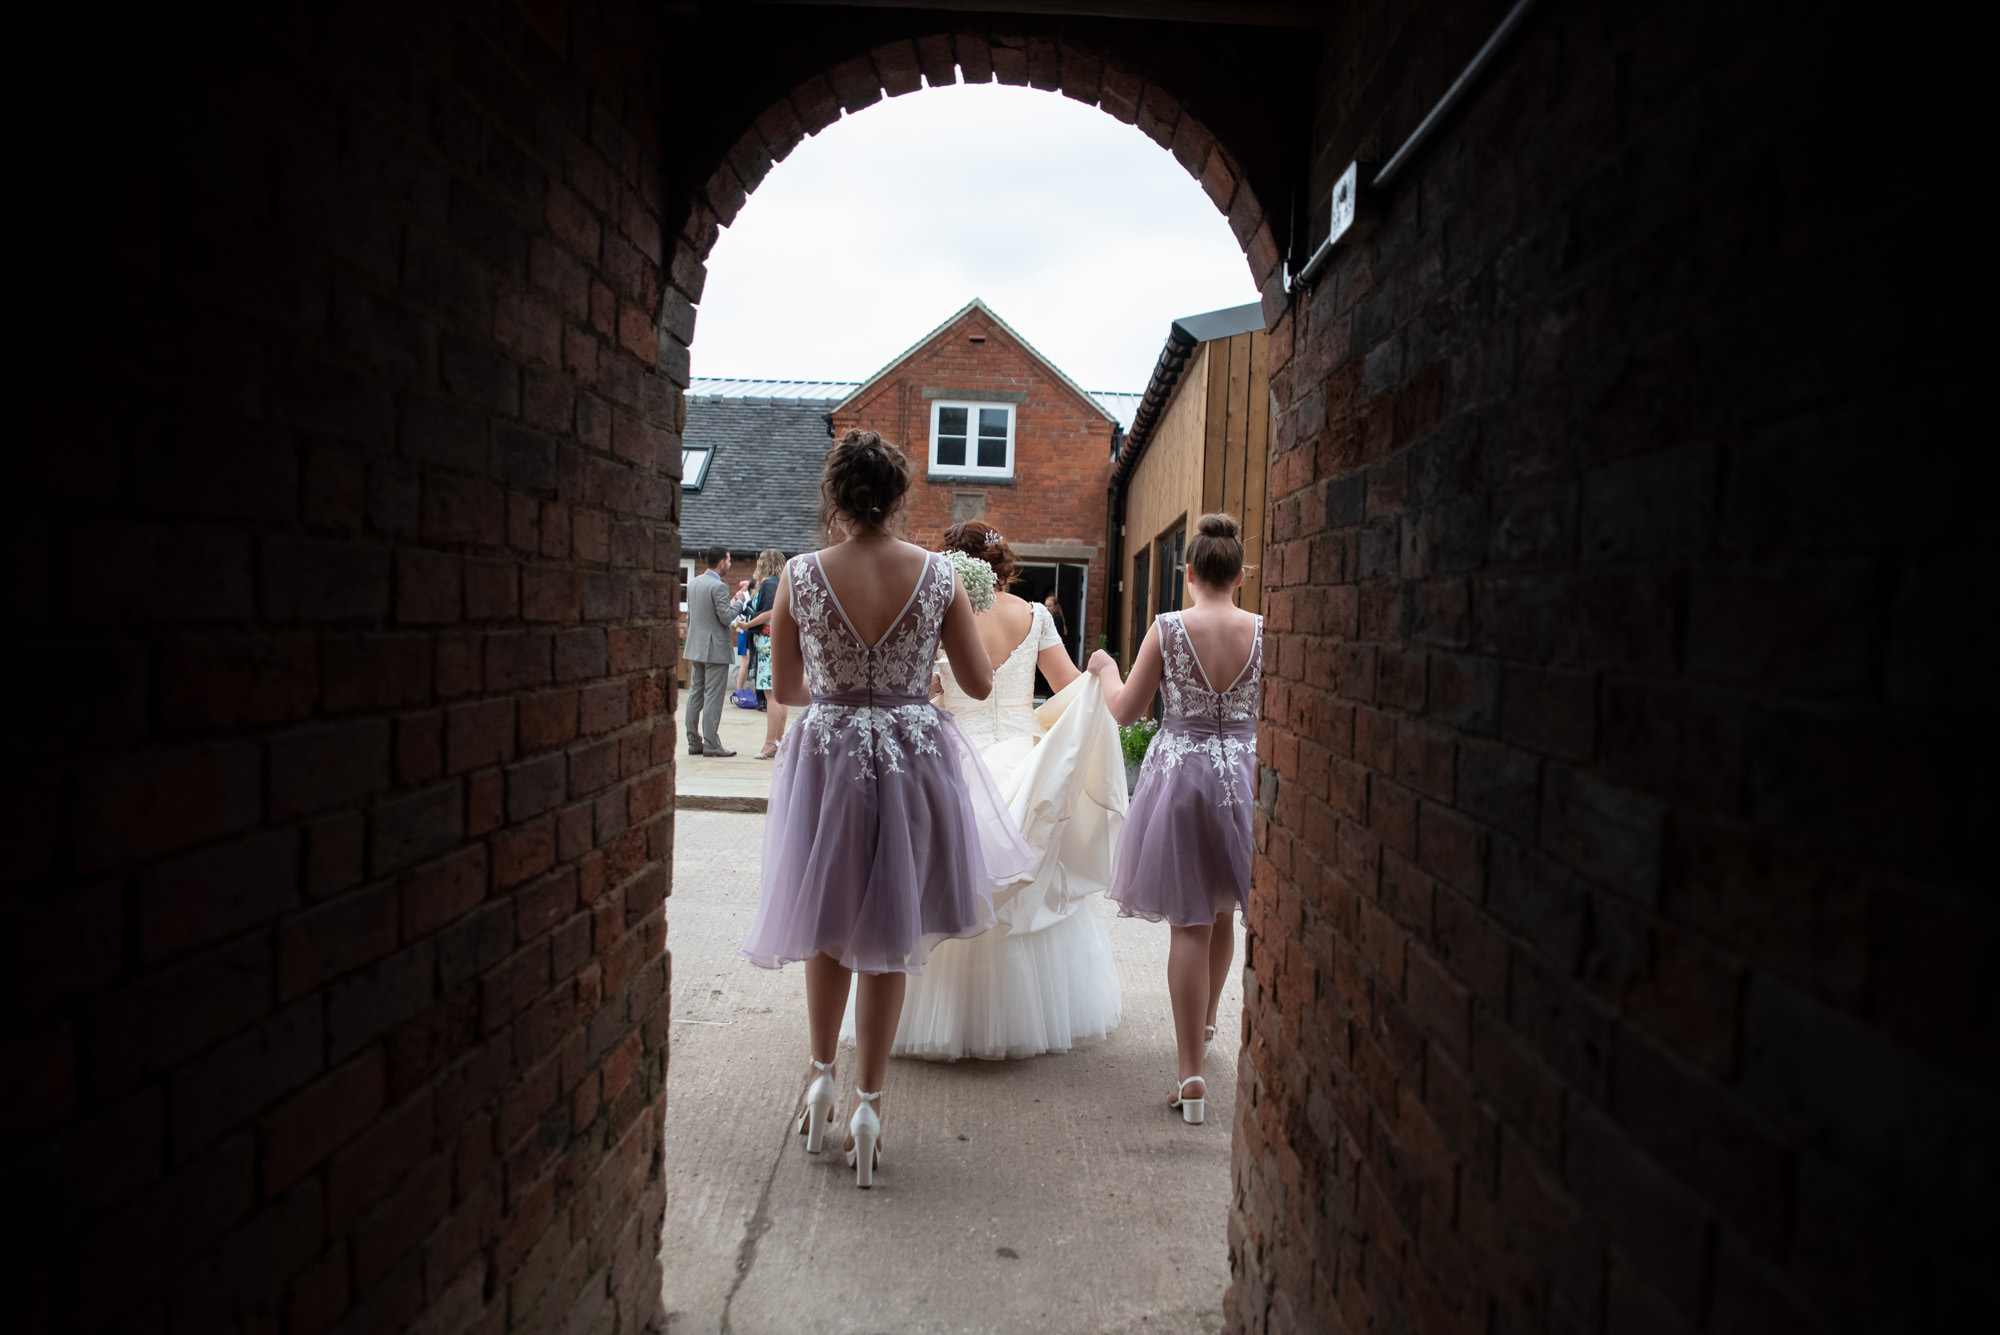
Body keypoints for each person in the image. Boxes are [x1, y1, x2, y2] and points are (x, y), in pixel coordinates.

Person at [740, 431, 1033, 1188]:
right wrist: (912, 675)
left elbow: (786, 688)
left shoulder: (800, 575)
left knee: (827, 920)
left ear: (835, 495)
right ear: (899, 496)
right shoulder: (937, 575)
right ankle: (869, 1104)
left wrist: (844, 687)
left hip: (828, 756)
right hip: (911, 755)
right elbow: (976, 684)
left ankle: (820, 1079)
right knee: (889, 930)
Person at [857, 521, 1125, 1060]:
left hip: (956, 755)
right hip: (1024, 756)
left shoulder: (937, 612)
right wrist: (1102, 674)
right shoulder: (1036, 616)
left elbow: (918, 687)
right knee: (1024, 880)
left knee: (947, 875)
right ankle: (1022, 1017)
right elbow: (1069, 686)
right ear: (1003, 564)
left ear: (951, 563)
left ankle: (941, 1018)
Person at [1086, 513, 1261, 1127]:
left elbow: (1126, 710)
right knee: (1222, 911)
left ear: (1189, 573)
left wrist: (1105, 670)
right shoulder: (1264, 632)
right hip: (1244, 777)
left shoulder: (1168, 628)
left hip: (1183, 778)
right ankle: (1207, 1025)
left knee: (1189, 924)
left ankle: (1190, 1073)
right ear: (1239, 575)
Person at [682, 545, 737, 758]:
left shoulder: (693, 583)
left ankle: (693, 741)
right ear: (721, 562)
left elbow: (691, 616)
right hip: (715, 650)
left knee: (695, 694)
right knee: (713, 697)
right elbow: (726, 617)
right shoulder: (719, 586)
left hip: (695, 647)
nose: (730, 564)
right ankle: (712, 744)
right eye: (729, 561)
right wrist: (740, 604)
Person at [739, 549, 788, 757]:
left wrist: (748, 624)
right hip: (776, 643)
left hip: (768, 645)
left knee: (771, 695)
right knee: (779, 696)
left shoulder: (769, 584)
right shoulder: (780, 583)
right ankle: (779, 741)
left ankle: (770, 743)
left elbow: (770, 612)